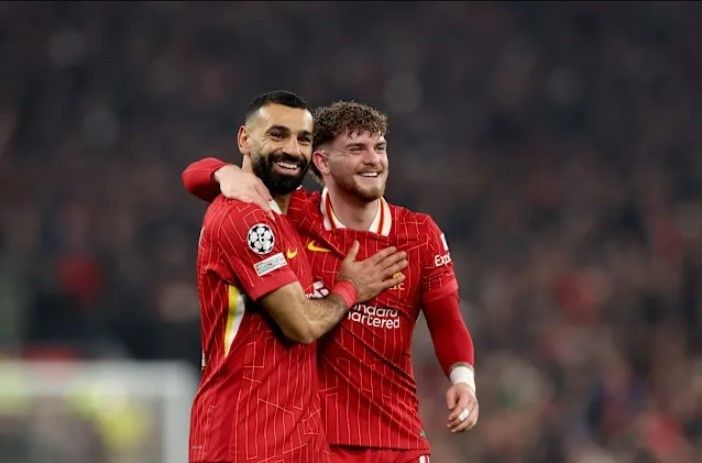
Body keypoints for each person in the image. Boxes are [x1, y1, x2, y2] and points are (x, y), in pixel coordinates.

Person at [183, 101, 478, 463]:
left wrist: (463, 381)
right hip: (316, 441)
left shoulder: (419, 234)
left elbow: (446, 319)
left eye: (379, 147)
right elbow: (196, 178)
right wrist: (222, 173)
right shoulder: (294, 215)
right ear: (321, 161)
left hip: (397, 438)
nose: (373, 159)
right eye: (356, 149)